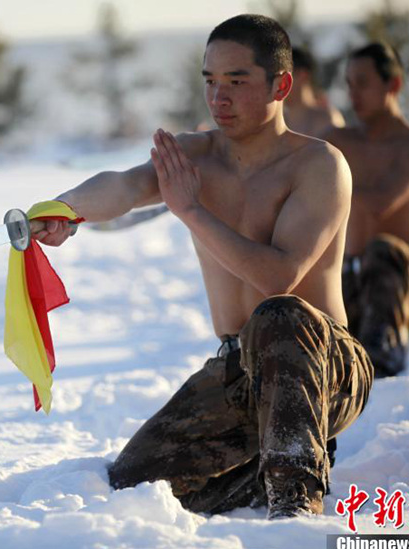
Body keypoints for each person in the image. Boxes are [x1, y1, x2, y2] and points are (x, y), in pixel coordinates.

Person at [33, 15, 372, 519]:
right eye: (210, 82)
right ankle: (262, 473)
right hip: (239, 366)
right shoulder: (196, 156)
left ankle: (295, 495)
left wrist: (191, 210)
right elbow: (125, 186)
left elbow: (279, 279)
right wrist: (63, 210)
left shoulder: (319, 165)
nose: (219, 99)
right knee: (132, 485)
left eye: (237, 82)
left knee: (279, 313)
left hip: (322, 364)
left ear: (281, 84)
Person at [326, 43, 409, 377]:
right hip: (352, 276)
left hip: (405, 279)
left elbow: (382, 202)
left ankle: (383, 354)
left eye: (362, 82)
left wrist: (325, 180)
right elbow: (284, 157)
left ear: (394, 85)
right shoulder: (336, 140)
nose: (352, 93)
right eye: (348, 83)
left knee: (381, 248)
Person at [284, 46, 345, 138]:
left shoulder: (326, 119)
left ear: (302, 75)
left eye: (283, 76)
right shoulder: (274, 122)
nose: (277, 83)